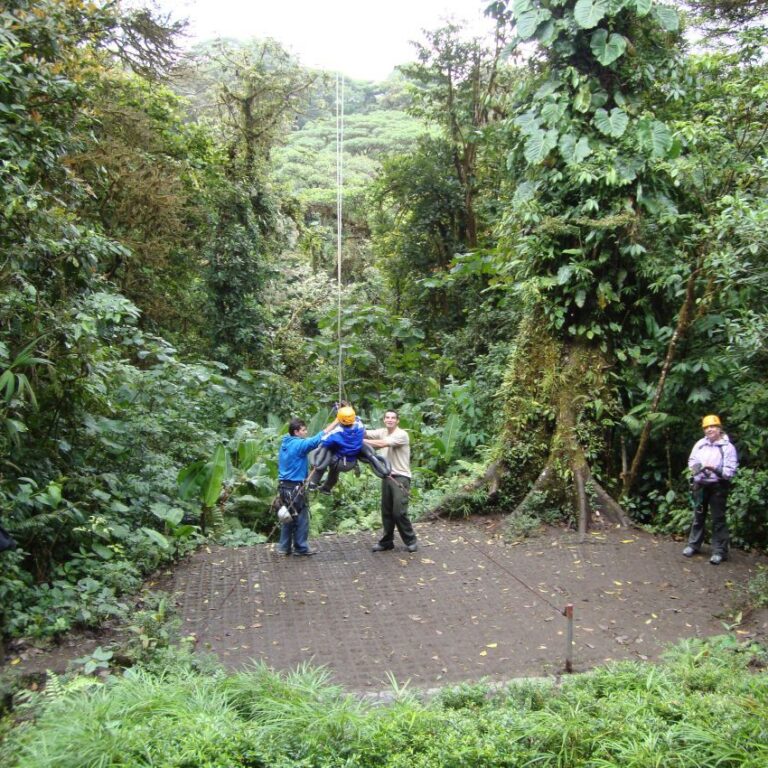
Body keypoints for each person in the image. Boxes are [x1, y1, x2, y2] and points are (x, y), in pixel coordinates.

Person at [683, 414, 738, 565]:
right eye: (706, 427)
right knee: (698, 516)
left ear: (719, 428)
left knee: (718, 519)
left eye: (712, 426)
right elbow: (692, 461)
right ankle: (693, 545)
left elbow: (730, 471)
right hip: (700, 485)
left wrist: (714, 470)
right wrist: (698, 469)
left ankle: (719, 551)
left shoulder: (727, 447)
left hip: (718, 486)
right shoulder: (700, 444)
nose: (709, 430)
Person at [277, 416, 337, 556]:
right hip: (295, 488)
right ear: (296, 432)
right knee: (301, 518)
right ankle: (301, 548)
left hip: (284, 487)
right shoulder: (299, 445)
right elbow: (317, 439)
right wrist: (337, 421)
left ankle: (284, 548)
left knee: (287, 516)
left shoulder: (286, 442)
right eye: (303, 430)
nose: (306, 432)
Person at [365, 409, 418, 553]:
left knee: (399, 511)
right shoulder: (382, 431)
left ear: (397, 421)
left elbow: (382, 444)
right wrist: (350, 423)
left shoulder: (402, 434)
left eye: (393, 418)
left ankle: (411, 541)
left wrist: (359, 441)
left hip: (401, 477)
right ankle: (386, 542)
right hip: (387, 476)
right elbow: (364, 432)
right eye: (387, 417)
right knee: (387, 511)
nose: (390, 420)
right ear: (384, 420)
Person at [308, 404, 390, 493]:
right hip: (351, 462)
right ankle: (327, 488)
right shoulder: (360, 425)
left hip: (339, 462)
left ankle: (313, 483)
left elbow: (323, 439)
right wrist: (345, 409)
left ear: (340, 419)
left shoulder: (337, 433)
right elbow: (356, 419)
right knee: (334, 471)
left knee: (325, 454)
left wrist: (336, 421)